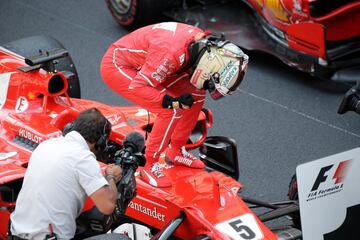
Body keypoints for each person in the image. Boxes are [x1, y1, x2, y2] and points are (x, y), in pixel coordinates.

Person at [101, 22, 248, 188]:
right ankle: (149, 164)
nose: (209, 85)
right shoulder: (170, 54)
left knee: (197, 94)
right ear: (209, 65)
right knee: (172, 109)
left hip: (152, 62)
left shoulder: (202, 45)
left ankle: (176, 150)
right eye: (211, 81)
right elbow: (139, 86)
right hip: (119, 66)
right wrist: (172, 101)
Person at [10, 108, 122, 240]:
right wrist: (111, 176)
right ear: (101, 141)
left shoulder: (45, 145)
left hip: (15, 234)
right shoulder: (83, 158)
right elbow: (107, 206)